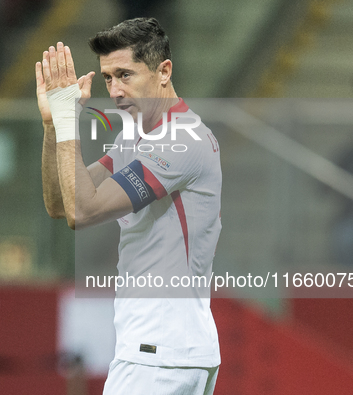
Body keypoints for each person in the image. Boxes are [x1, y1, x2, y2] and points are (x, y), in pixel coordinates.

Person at [36, 18, 221, 394]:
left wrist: (71, 121)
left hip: (158, 356)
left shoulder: (179, 141)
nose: (116, 91)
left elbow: (81, 212)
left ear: (164, 71)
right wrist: (54, 125)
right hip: (169, 353)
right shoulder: (135, 135)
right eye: (108, 78)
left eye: (125, 74)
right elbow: (61, 202)